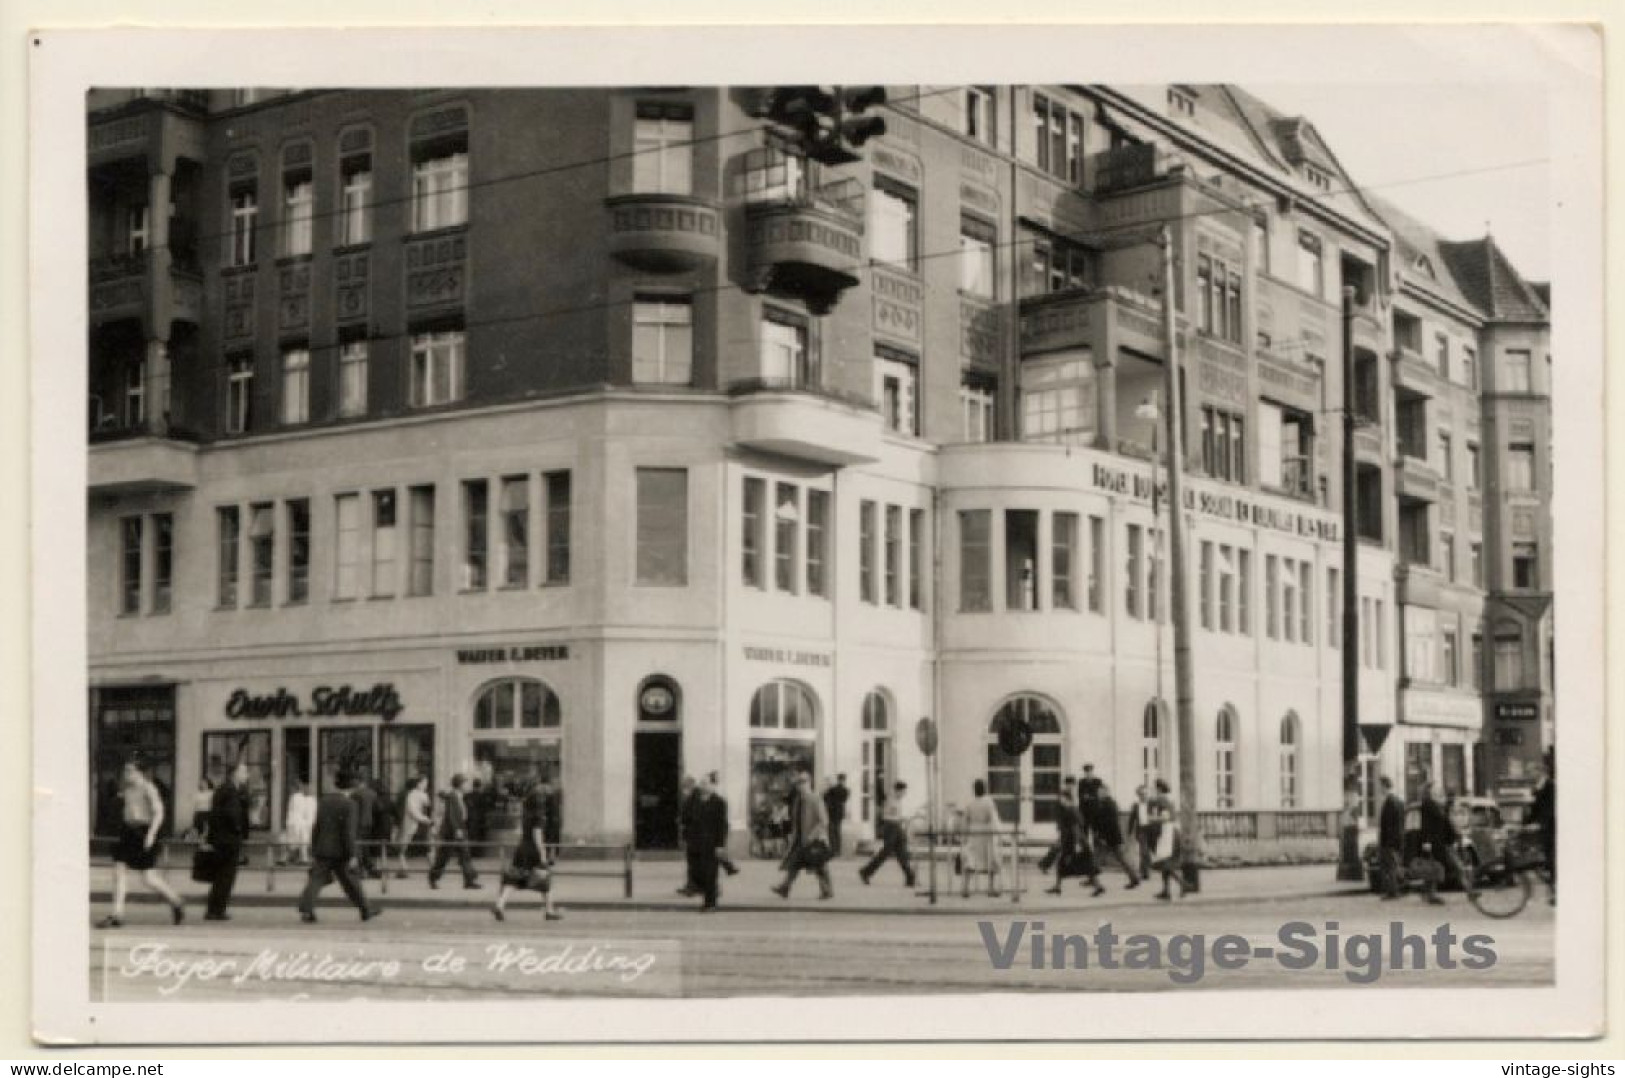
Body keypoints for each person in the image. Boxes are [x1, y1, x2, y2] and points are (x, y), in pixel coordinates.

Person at [98, 758, 185, 928]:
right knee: (119, 871)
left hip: (144, 832)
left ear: (139, 772)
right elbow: (126, 807)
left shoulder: (149, 788)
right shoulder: (127, 789)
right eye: (125, 771)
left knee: (148, 878)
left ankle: (176, 900)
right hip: (128, 832)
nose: (126, 774)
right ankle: (117, 914)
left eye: (130, 770)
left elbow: (159, 813)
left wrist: (151, 835)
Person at [298, 768, 380, 923]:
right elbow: (349, 832)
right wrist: (353, 854)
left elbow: (317, 827)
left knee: (315, 880)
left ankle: (306, 909)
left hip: (323, 849)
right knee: (351, 882)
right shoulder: (350, 804)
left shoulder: (324, 801)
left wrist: (314, 847)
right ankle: (366, 909)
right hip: (341, 851)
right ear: (351, 787)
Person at [493, 766, 563, 922]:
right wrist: (543, 854)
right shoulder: (539, 815)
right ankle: (549, 910)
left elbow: (523, 830)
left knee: (514, 878)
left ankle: (500, 904)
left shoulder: (527, 812)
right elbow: (537, 833)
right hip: (533, 849)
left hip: (522, 847)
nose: (545, 795)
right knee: (544, 878)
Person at [771, 771, 833, 900]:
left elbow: (824, 821)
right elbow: (796, 820)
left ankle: (827, 890)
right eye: (799, 783)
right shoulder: (798, 800)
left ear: (809, 783)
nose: (801, 786)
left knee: (819, 865)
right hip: (800, 840)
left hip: (814, 840)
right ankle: (785, 887)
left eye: (803, 782)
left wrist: (813, 835)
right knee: (794, 864)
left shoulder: (815, 798)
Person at [204, 760, 251, 921]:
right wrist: (238, 830)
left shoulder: (224, 789)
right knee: (226, 875)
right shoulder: (231, 791)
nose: (247, 775)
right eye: (244, 771)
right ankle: (217, 909)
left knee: (220, 876)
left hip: (220, 838)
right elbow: (233, 815)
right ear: (235, 774)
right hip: (228, 840)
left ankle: (213, 908)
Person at [1418, 781, 1475, 906]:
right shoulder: (1428, 805)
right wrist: (1426, 841)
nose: (1438, 791)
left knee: (1436, 868)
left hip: (1443, 841)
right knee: (1455, 866)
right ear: (1430, 792)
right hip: (1438, 843)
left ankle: (1428, 894)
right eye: (1435, 789)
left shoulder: (1436, 805)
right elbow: (1426, 825)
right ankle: (1470, 892)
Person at [860, 780, 917, 888]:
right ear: (897, 791)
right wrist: (902, 818)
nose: (904, 794)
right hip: (890, 827)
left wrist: (901, 819)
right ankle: (866, 872)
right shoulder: (890, 801)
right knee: (886, 852)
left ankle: (910, 877)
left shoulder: (897, 801)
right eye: (903, 792)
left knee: (902, 853)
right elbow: (886, 816)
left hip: (897, 827)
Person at [428, 773, 481, 890]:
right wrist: (457, 829)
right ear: (460, 784)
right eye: (465, 783)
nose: (467, 786)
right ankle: (434, 877)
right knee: (445, 855)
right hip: (453, 831)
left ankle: (469, 880)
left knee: (463, 854)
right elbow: (453, 814)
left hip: (458, 829)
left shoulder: (457, 795)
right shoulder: (453, 796)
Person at [687, 774, 731, 912]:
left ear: (713, 785)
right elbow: (685, 817)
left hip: (711, 843)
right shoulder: (694, 800)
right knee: (696, 872)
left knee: (710, 873)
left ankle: (710, 903)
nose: (702, 786)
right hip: (694, 842)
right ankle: (711, 893)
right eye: (701, 783)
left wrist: (720, 845)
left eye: (706, 783)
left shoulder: (719, 802)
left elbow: (722, 824)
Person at [1091, 781, 1140, 890]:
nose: (1098, 793)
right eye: (1098, 792)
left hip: (1109, 837)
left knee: (1096, 860)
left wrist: (1103, 837)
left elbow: (1110, 823)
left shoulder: (1109, 804)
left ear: (1106, 792)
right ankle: (1134, 878)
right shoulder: (1104, 803)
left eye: (1101, 792)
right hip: (1110, 838)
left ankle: (1095, 883)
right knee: (1121, 858)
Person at [960, 778, 1003, 898]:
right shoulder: (989, 802)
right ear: (985, 789)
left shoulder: (970, 803)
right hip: (986, 832)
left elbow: (965, 821)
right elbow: (994, 819)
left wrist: (964, 836)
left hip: (974, 832)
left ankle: (966, 888)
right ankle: (990, 887)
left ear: (974, 790)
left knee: (971, 860)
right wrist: (999, 834)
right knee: (990, 858)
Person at [1147, 778, 1185, 901]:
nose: (1153, 790)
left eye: (1154, 788)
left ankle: (1183, 884)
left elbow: (1166, 817)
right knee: (1165, 862)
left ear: (1158, 789)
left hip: (1167, 833)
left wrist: (1152, 819)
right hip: (1171, 831)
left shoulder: (1161, 799)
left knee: (1165, 862)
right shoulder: (1168, 799)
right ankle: (1166, 890)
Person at [1045, 786, 1085, 895]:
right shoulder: (1069, 809)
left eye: (1061, 798)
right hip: (1068, 840)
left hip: (1071, 841)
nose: (1060, 800)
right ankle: (1057, 886)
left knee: (1084, 865)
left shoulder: (1071, 810)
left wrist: (1077, 843)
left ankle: (1097, 885)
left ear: (1066, 798)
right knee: (1061, 863)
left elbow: (1075, 827)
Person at [395, 775, 432, 878]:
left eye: (426, 783)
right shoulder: (412, 795)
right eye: (424, 783)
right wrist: (424, 819)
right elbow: (413, 810)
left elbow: (426, 808)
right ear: (418, 784)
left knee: (427, 846)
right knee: (404, 847)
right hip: (414, 823)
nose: (426, 785)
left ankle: (433, 868)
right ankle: (404, 868)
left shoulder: (423, 795)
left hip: (420, 824)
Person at [1529, 762, 1555, 904]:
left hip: (1552, 827)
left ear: (1541, 771)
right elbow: (1534, 810)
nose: (1530, 774)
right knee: (1545, 858)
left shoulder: (1551, 786)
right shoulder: (1537, 787)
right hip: (1544, 828)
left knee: (1551, 858)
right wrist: (1525, 824)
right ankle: (1552, 889)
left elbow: (1550, 808)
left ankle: (1554, 891)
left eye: (1532, 771)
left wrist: (1540, 824)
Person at [1377, 775, 1406, 900]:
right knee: (1394, 865)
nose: (1379, 790)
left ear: (1384, 786)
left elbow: (1390, 825)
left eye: (1380, 786)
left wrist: (1387, 842)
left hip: (1390, 840)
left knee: (1390, 867)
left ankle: (1393, 891)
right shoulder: (1398, 801)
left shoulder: (1390, 802)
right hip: (1396, 839)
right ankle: (1395, 889)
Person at [706, 772, 740, 877]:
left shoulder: (715, 792)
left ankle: (729, 867)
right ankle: (729, 868)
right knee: (717, 850)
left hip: (718, 825)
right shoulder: (715, 789)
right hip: (720, 824)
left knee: (717, 849)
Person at [349, 769, 380, 878]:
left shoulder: (355, 794)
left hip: (358, 823)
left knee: (358, 846)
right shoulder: (372, 793)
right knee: (365, 846)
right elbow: (377, 809)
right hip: (369, 823)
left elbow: (352, 810)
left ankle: (361, 869)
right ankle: (369, 868)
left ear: (358, 781)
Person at [367, 775, 397, 880]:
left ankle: (374, 870)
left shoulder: (373, 799)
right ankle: (385, 869)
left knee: (374, 849)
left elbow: (372, 812)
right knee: (384, 849)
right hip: (387, 826)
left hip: (376, 826)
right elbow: (395, 813)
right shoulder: (389, 799)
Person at [282, 778, 316, 867]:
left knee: (292, 841)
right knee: (302, 841)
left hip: (293, 822)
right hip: (303, 822)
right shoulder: (308, 799)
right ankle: (302, 858)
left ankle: (288, 858)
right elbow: (307, 812)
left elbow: (292, 811)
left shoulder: (295, 797)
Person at [676, 775, 700, 896]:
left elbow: (693, 816)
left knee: (694, 863)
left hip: (694, 836)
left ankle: (692, 887)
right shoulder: (693, 796)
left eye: (685, 786)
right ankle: (692, 885)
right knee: (693, 863)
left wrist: (683, 822)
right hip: (692, 835)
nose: (684, 789)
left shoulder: (695, 798)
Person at [1125, 784, 1152, 880]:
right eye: (1140, 794)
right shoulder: (1136, 806)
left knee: (1147, 852)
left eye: (1144, 794)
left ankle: (1146, 869)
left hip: (1151, 830)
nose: (1143, 796)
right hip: (1141, 830)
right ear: (1138, 795)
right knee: (1143, 850)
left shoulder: (1151, 804)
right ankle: (1144, 871)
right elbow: (1132, 819)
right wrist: (1129, 831)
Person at [823, 774, 850, 857]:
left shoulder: (832, 789)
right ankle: (837, 850)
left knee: (832, 831)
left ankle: (833, 849)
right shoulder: (846, 790)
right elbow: (844, 799)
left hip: (832, 812)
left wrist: (828, 788)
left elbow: (824, 797)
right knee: (837, 831)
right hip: (839, 812)